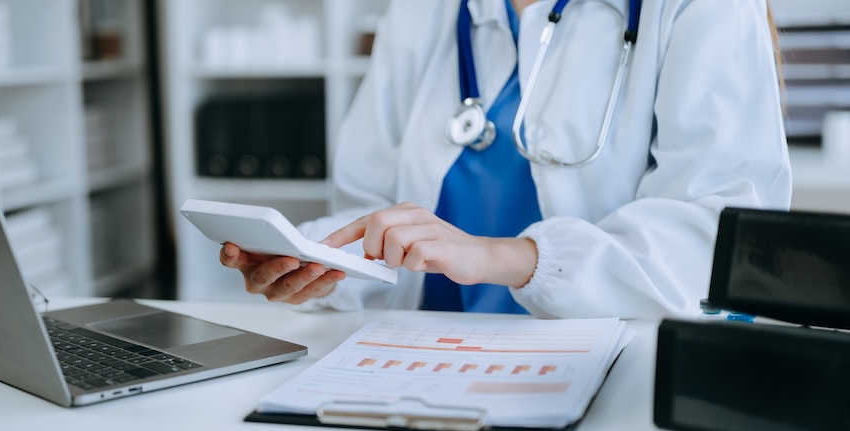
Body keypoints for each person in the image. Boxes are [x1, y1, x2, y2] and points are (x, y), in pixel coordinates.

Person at [220, 0, 792, 319]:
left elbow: (719, 239)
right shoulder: (424, 14)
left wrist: (506, 257)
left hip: (624, 370)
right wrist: (319, 266)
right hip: (431, 364)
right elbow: (370, 207)